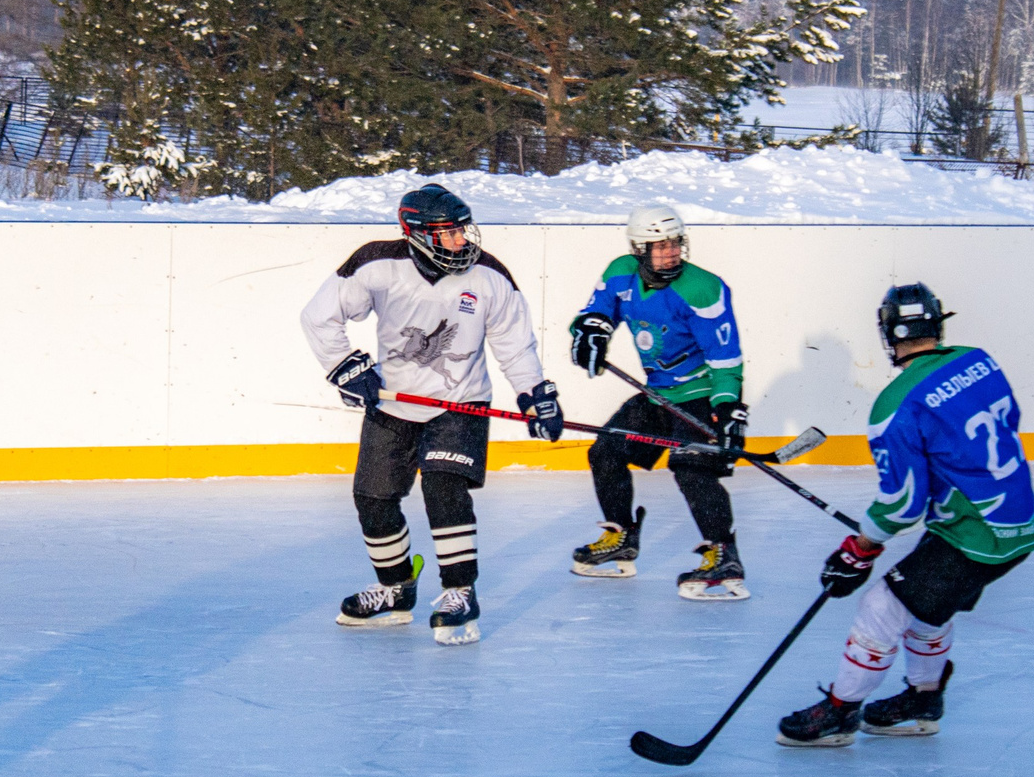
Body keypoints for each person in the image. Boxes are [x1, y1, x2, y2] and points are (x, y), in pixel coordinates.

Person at [775, 283, 1034, 746]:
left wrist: (860, 548)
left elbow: (903, 505)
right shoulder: (977, 360)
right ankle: (922, 700)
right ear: (937, 323)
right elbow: (1002, 426)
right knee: (926, 608)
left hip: (975, 534)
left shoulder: (895, 405)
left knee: (882, 607)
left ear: (887, 333)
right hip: (1016, 520)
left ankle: (840, 712)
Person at [302, 184, 562, 645]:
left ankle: (460, 591)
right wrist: (344, 367)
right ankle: (396, 588)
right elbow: (319, 315)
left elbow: (514, 344)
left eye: (463, 229)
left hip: (461, 403)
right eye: (449, 232)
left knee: (443, 485)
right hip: (394, 402)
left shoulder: (490, 276)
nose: (462, 240)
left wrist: (535, 395)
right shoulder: (377, 263)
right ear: (417, 234)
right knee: (373, 498)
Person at [566, 204, 751, 600]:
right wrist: (591, 333)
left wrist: (727, 409)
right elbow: (597, 311)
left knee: (691, 468)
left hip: (700, 396)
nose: (669, 252)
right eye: (658, 245)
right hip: (657, 396)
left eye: (674, 243)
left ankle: (724, 555)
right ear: (639, 249)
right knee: (606, 450)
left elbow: (725, 358)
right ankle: (620, 536)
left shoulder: (703, 288)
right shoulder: (620, 272)